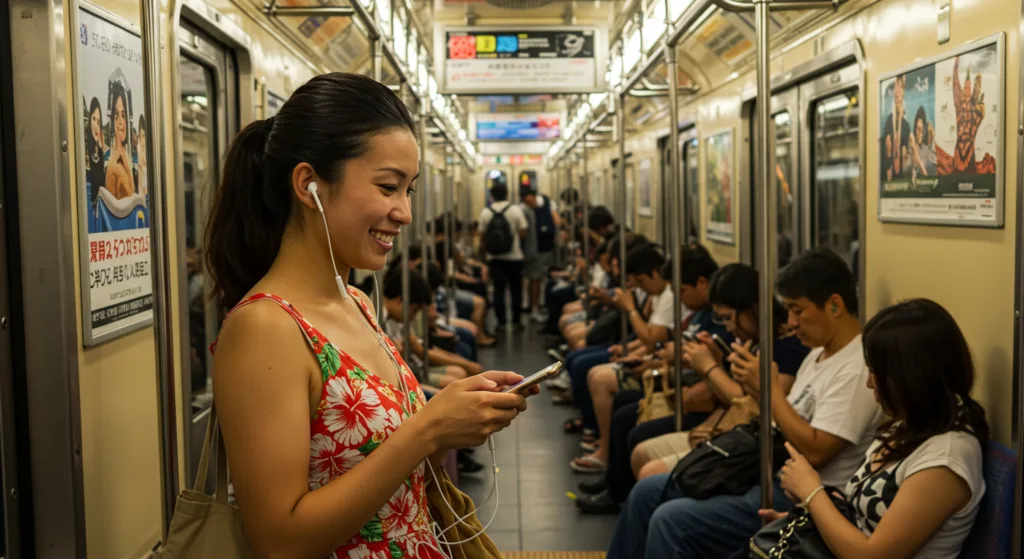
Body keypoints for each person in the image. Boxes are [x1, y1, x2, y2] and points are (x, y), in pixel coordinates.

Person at [204, 73, 537, 558]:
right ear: (308, 184)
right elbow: (279, 539)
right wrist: (428, 431)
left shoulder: (355, 304)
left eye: (409, 191)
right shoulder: (265, 329)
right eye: (387, 187)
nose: (402, 211)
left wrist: (455, 415)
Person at [606, 247, 883, 558]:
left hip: (806, 494)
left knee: (670, 521)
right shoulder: (819, 354)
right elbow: (782, 420)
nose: (790, 322)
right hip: (766, 467)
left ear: (834, 305)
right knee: (646, 493)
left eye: (798, 310)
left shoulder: (855, 368)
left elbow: (816, 452)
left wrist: (766, 391)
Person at [767, 298, 988, 559]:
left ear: (911, 377)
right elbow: (863, 520)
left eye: (877, 372)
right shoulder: (907, 426)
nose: (870, 383)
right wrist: (815, 523)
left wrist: (813, 493)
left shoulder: (945, 459)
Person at [478, 179, 529, 330]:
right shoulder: (515, 210)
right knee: (516, 289)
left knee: (498, 289)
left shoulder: (486, 212)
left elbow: (481, 236)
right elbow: (523, 231)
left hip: (494, 258)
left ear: (492, 195)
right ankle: (516, 320)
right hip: (515, 257)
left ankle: (501, 322)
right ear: (507, 194)